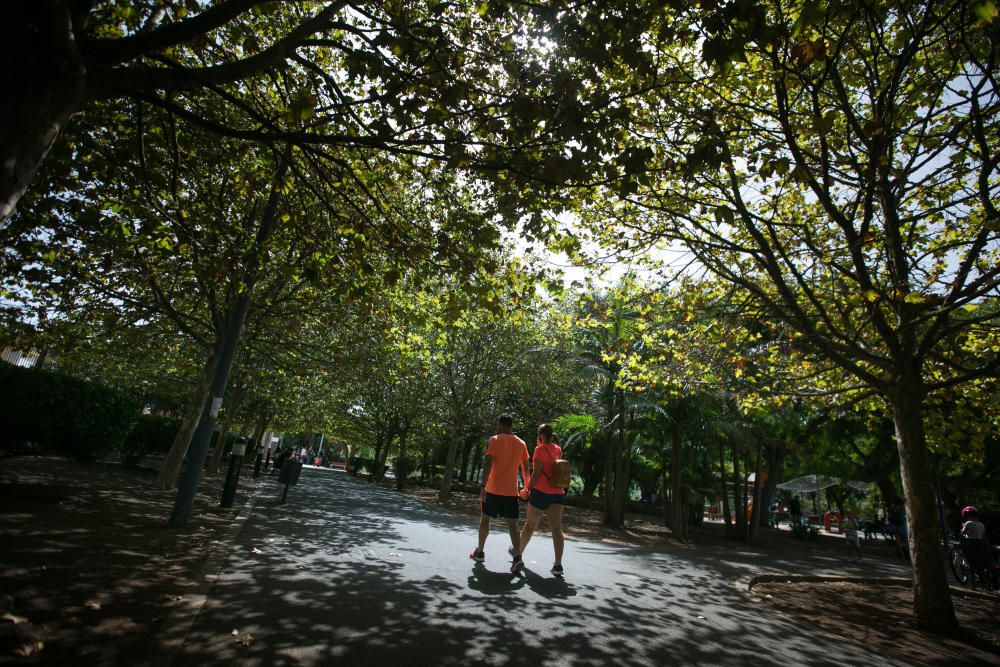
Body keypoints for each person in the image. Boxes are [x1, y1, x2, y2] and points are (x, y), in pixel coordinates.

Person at [469, 414, 529, 572]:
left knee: (485, 520)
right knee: (513, 525)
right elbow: (526, 468)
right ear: (511, 425)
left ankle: (480, 552)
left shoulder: (494, 440)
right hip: (511, 491)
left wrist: (483, 486)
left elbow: (488, 464)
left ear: (500, 424)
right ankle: (517, 558)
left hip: (493, 489)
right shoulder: (521, 443)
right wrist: (526, 487)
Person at [513, 423, 567, 577]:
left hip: (541, 492)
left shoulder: (539, 450)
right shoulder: (558, 449)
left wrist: (527, 489)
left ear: (541, 435)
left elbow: (536, 473)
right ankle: (558, 565)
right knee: (556, 529)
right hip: (558, 493)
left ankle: (518, 556)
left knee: (530, 526)